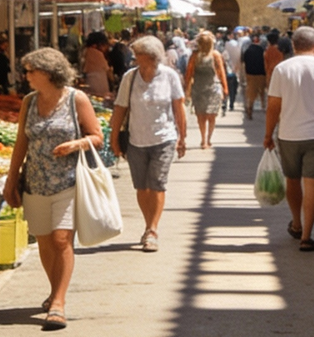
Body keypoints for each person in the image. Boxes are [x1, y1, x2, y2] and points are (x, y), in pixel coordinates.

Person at [3, 48, 103, 332]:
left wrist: (76, 144)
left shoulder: (76, 99)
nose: (26, 76)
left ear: (47, 72)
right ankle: (54, 289)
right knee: (45, 243)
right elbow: (21, 142)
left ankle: (58, 303)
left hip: (68, 182)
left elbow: (97, 136)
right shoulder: (29, 102)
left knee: (61, 241)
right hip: (35, 182)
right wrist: (12, 180)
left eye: (31, 71)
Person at [263, 26, 314, 252]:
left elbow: (273, 106)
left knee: (292, 180)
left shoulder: (282, 69)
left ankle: (296, 222)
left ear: (294, 45)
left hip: (288, 134)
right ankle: (307, 236)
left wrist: (268, 134)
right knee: (313, 183)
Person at [110, 35, 186, 251]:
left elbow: (178, 107)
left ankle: (152, 229)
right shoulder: (130, 78)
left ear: (153, 58)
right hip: (136, 140)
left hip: (164, 138)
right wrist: (114, 138)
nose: (136, 61)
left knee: (157, 184)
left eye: (139, 58)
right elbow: (120, 109)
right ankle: (147, 223)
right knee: (142, 187)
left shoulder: (169, 76)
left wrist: (182, 138)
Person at [182, 30, 227, 147]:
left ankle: (207, 138)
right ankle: (204, 139)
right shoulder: (195, 56)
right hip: (202, 89)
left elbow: (221, 72)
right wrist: (225, 88)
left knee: (208, 115)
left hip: (209, 88)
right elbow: (189, 73)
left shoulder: (215, 55)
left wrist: (187, 87)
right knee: (204, 115)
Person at [241, 33, 268, 119]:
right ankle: (264, 108)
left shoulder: (247, 50)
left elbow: (244, 62)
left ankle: (250, 109)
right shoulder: (262, 50)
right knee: (262, 92)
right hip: (261, 74)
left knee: (251, 93)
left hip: (250, 74)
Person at [80, 31, 111, 96]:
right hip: (99, 85)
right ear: (96, 45)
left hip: (89, 83)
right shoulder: (96, 53)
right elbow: (108, 72)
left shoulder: (84, 51)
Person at [221, 29, 241, 113]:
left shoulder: (225, 46)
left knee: (226, 87)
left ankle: (225, 102)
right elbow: (239, 58)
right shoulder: (238, 46)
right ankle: (231, 104)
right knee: (233, 88)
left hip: (226, 70)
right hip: (235, 71)